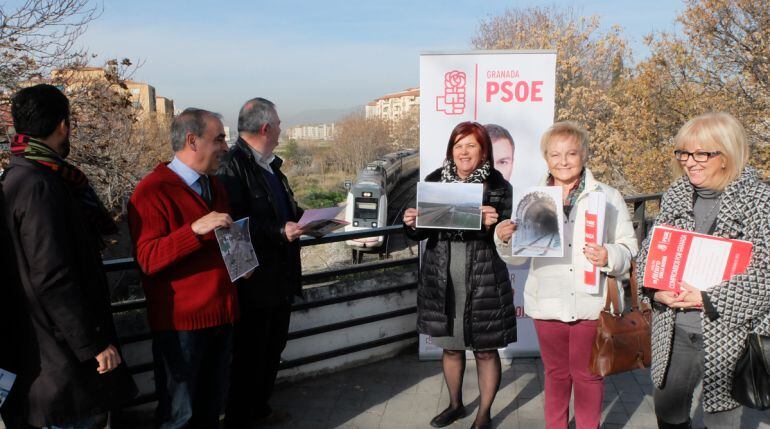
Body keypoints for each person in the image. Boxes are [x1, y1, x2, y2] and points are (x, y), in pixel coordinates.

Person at [1, 84, 136, 428]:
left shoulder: (19, 176)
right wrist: (94, 343)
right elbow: (52, 276)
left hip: (43, 352)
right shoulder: (39, 185)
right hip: (58, 362)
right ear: (63, 125)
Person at [497, 121, 638, 429]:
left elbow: (629, 249)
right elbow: (516, 257)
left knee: (588, 375)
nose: (563, 161)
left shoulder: (608, 196)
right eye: (555, 154)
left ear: (584, 155)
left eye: (571, 153)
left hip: (592, 301)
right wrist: (504, 239)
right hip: (547, 302)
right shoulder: (532, 198)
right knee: (556, 375)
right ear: (546, 158)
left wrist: (609, 255)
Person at [635, 112, 770, 429]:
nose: (689, 162)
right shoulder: (676, 195)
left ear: (726, 155)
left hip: (730, 331)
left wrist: (708, 297)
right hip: (676, 328)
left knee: (721, 419)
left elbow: (766, 272)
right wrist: (655, 289)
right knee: (667, 408)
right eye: (684, 153)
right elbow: (650, 251)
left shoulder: (759, 200)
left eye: (701, 154)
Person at [127, 108, 238, 429]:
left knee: (211, 410)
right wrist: (193, 231)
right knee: (180, 416)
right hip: (181, 328)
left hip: (222, 316)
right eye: (219, 139)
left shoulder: (215, 187)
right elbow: (148, 259)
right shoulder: (152, 191)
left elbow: (224, 240)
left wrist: (241, 262)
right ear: (193, 141)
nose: (225, 146)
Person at [402, 121, 517, 429]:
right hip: (443, 273)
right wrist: (411, 224)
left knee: (485, 350)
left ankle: (484, 414)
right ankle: (455, 405)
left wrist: (493, 226)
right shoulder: (434, 181)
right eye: (458, 145)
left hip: (483, 275)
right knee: (451, 346)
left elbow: (504, 235)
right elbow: (422, 233)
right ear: (451, 150)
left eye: (471, 146)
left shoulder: (498, 186)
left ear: (483, 151)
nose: (464, 152)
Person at [217, 98, 305, 428]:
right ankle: (241, 418)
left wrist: (310, 220)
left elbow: (283, 210)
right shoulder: (232, 166)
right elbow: (231, 223)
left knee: (271, 350)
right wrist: (279, 231)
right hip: (254, 283)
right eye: (279, 125)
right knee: (249, 357)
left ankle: (260, 410)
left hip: (280, 279)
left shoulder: (270, 166)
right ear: (266, 128)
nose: (281, 130)